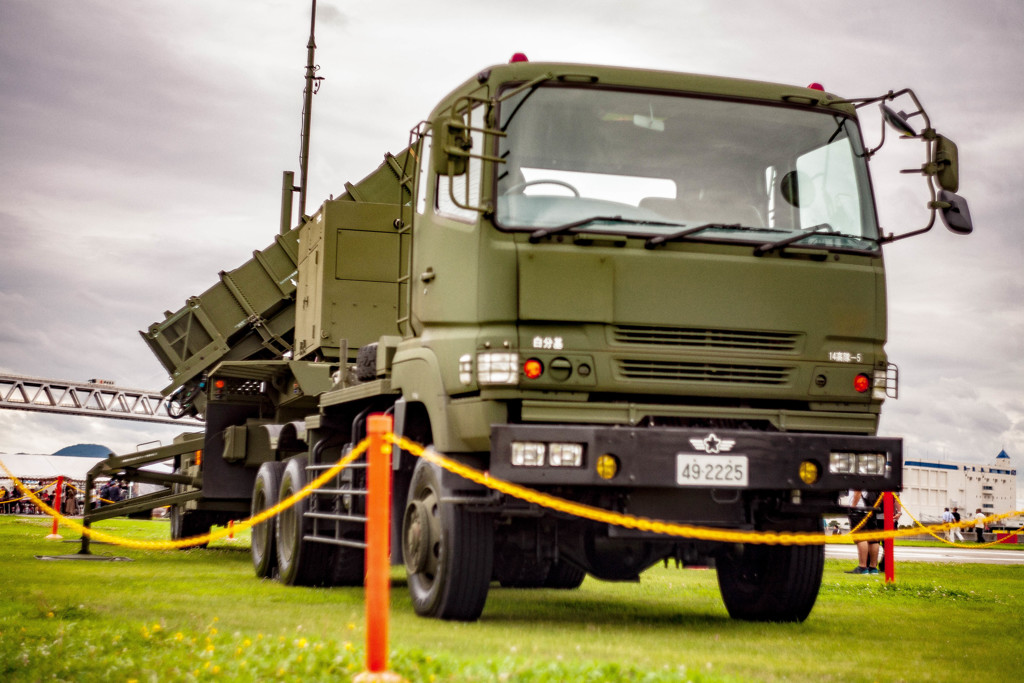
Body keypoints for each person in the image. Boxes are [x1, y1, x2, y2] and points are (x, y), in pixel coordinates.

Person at [846, 490, 881, 575]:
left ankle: (862, 567)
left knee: (861, 538)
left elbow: (857, 491)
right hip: (871, 509)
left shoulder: (858, 480)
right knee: (873, 540)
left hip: (859, 510)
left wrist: (852, 507)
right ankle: (873, 567)